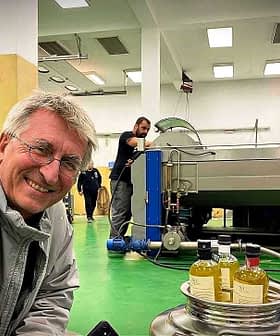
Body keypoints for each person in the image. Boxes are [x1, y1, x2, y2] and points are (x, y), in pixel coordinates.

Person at [0, 92, 97, 335]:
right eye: (41, 149)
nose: (51, 175)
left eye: (68, 163)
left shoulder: (54, 213)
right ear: (3, 146)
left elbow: (54, 292)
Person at [109, 117, 152, 238]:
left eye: (148, 129)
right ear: (136, 126)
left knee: (127, 213)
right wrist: (155, 143)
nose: (145, 131)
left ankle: (119, 238)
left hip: (129, 181)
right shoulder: (126, 136)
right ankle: (114, 240)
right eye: (143, 128)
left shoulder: (141, 146)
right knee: (120, 211)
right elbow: (135, 142)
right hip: (120, 180)